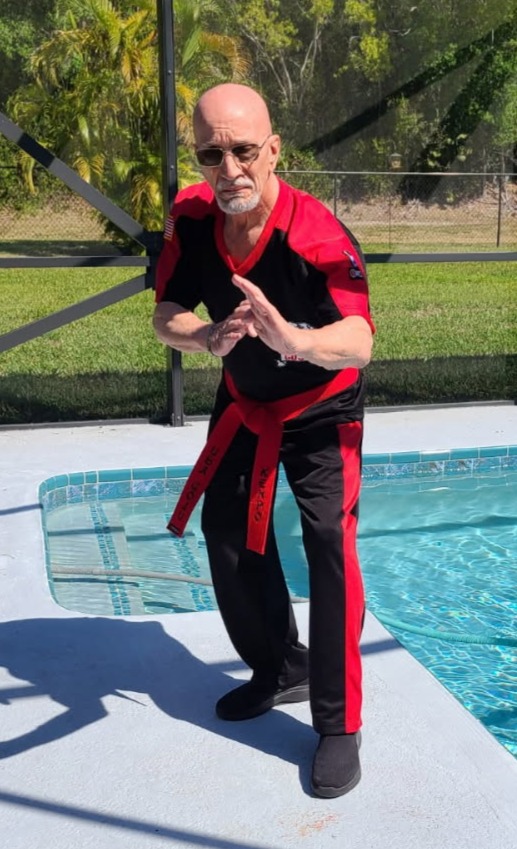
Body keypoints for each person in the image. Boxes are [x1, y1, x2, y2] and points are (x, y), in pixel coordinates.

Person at [153, 83, 374, 799]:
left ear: (274, 150)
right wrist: (205, 335)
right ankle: (280, 667)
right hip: (245, 404)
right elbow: (165, 311)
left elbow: (360, 341)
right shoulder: (192, 218)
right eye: (210, 154)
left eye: (244, 151)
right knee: (225, 529)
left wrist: (294, 339)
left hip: (321, 409)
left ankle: (338, 723)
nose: (229, 170)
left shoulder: (316, 234)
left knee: (327, 545)